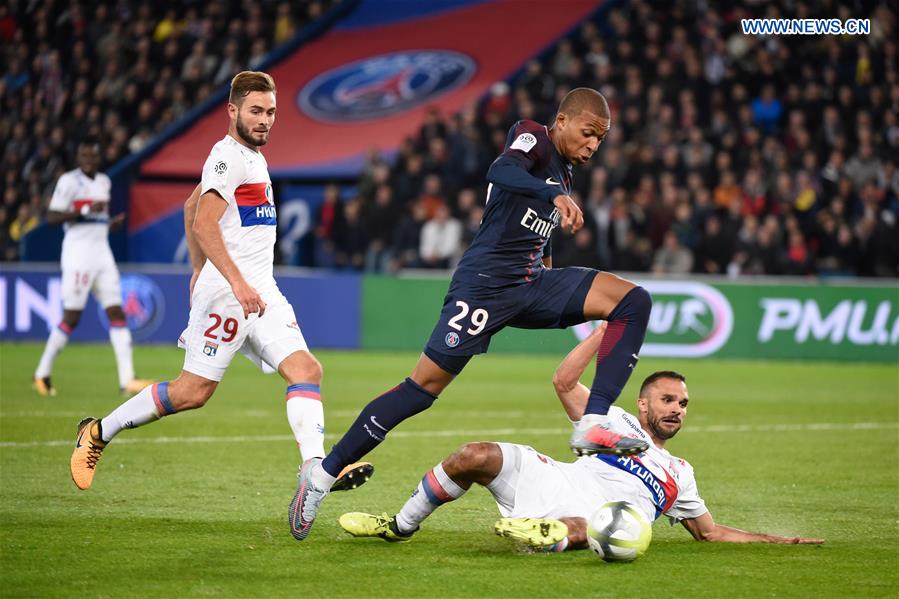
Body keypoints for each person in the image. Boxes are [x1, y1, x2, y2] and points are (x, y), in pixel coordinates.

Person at [291, 88, 654, 541]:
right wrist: (554, 195)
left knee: (633, 301)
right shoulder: (532, 137)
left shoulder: (563, 172)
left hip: (529, 286)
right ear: (561, 121)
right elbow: (501, 171)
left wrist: (548, 265)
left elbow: (535, 227)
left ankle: (593, 422)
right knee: (421, 389)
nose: (593, 146)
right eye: (588, 133)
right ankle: (320, 478)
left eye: (600, 139)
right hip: (482, 288)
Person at [68, 72, 372, 520]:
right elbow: (205, 223)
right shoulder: (229, 158)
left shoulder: (250, 157)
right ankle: (97, 431)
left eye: (270, 112)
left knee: (306, 369)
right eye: (255, 111)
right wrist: (230, 280)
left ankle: (313, 470)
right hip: (232, 293)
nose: (265, 120)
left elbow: (192, 208)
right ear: (232, 111)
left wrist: (198, 268)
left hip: (258, 289)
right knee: (192, 392)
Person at [339, 324, 824, 549]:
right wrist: (607, 330)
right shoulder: (613, 422)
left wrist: (778, 541)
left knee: (605, 522)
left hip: (606, 512)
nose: (677, 410)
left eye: (683, 405)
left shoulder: (682, 475)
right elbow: (563, 382)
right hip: (561, 480)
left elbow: (711, 533)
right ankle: (399, 527)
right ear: (644, 404)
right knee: (473, 455)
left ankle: (550, 535)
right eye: (668, 400)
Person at [34, 138, 153, 397]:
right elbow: (52, 217)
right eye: (84, 155)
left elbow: (96, 219)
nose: (88, 159)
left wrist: (109, 224)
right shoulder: (68, 182)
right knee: (71, 317)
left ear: (98, 158)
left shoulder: (104, 182)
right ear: (78, 157)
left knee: (117, 312)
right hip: (79, 256)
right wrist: (85, 210)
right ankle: (42, 374)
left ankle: (127, 379)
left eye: (93, 155)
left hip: (102, 254)